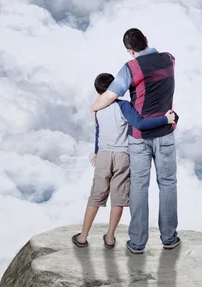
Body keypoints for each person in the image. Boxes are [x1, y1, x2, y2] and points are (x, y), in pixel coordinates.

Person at [91, 29, 180, 254]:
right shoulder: (169, 60)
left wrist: (94, 107)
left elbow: (111, 95)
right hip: (166, 132)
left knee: (139, 187)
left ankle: (138, 243)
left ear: (130, 51)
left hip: (139, 138)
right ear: (147, 41)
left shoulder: (130, 68)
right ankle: (169, 238)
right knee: (168, 184)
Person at [73, 72, 176, 249]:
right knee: (118, 198)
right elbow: (140, 123)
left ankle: (83, 237)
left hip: (104, 155)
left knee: (96, 196)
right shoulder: (123, 106)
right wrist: (165, 119)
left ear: (98, 91)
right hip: (123, 156)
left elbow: (98, 133)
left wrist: (97, 152)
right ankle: (110, 238)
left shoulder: (97, 109)